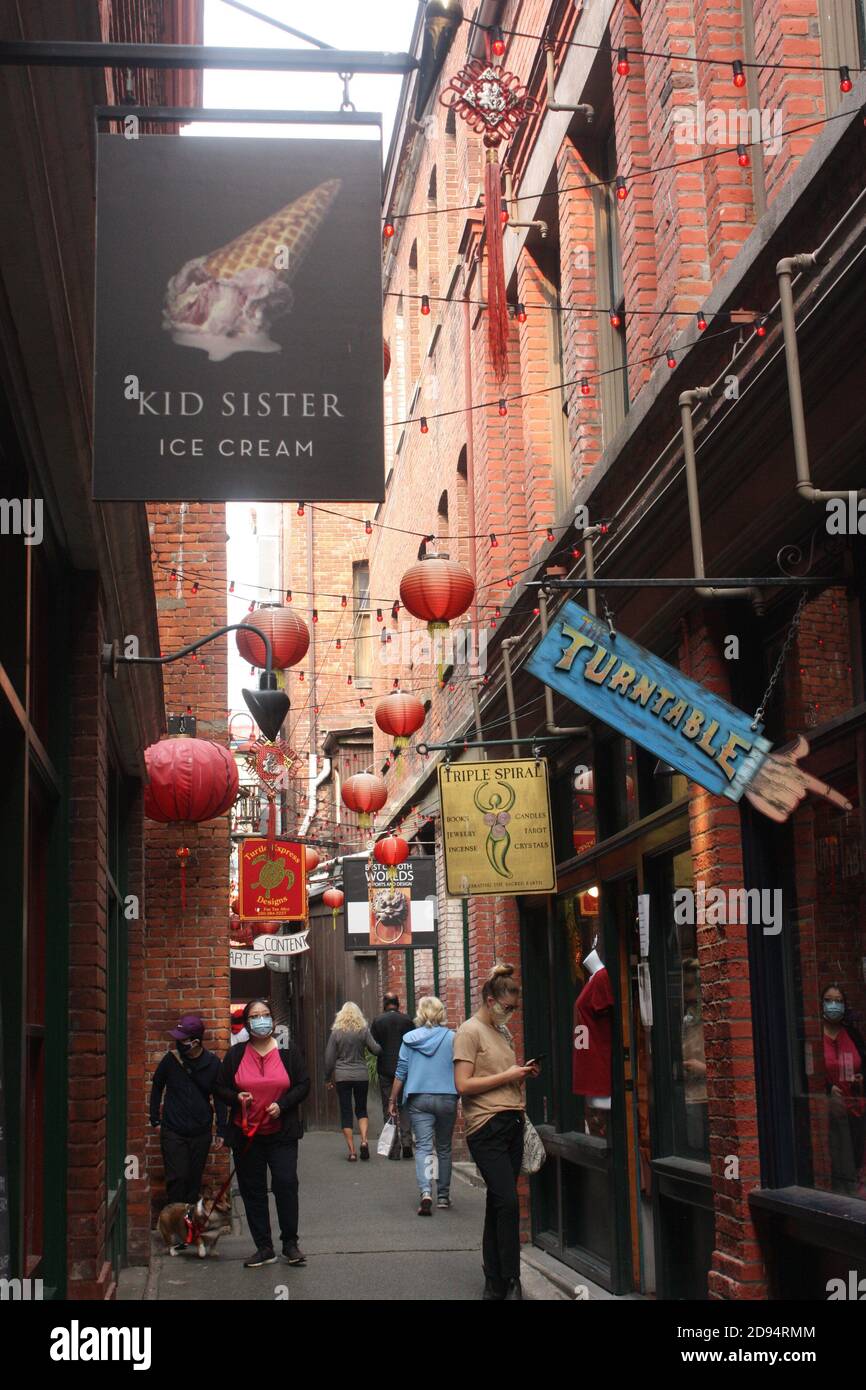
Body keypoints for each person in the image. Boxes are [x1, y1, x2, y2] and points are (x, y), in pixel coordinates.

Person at [454, 963, 540, 1301]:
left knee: (497, 1202)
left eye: (514, 1009)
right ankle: (512, 1280)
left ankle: (493, 1280)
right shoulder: (469, 1031)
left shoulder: (503, 1034)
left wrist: (521, 1073)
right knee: (507, 1200)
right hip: (485, 1127)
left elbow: (503, 1075)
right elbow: (463, 1084)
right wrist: (508, 1076)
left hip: (513, 1123)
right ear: (490, 1000)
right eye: (507, 1007)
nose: (511, 1014)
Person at [216, 998, 310, 1269]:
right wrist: (237, 1097)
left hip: (281, 1133)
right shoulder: (235, 1056)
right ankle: (263, 1247)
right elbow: (220, 1088)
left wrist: (283, 1104)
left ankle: (290, 1243)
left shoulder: (288, 1052)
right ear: (247, 1023)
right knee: (252, 1190)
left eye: (265, 1014)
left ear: (273, 1019)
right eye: (255, 1015)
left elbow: (303, 1084)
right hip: (247, 1136)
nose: (261, 1019)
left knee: (285, 1183)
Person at [150, 1014, 227, 1216]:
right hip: (173, 1130)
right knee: (177, 1178)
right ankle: (175, 1227)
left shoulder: (212, 1064)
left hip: (200, 1131)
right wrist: (154, 1118)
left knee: (194, 1181)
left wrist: (221, 1129)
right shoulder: (171, 1060)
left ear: (195, 1041)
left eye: (183, 1038)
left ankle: (190, 1227)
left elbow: (219, 1098)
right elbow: (157, 1086)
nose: (178, 1042)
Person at [389, 996, 458, 1215]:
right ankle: (444, 1196)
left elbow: (401, 1071)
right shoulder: (453, 1038)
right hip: (447, 1097)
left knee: (425, 1147)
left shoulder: (409, 1039)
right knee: (445, 1147)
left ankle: (426, 1192)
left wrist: (392, 1099)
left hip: (419, 1099)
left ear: (421, 1013)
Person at [821, 983, 866, 1195]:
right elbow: (807, 1072)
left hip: (856, 1106)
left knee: (857, 1156)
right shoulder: (813, 1035)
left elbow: (863, 1062)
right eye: (829, 1000)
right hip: (830, 1111)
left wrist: (861, 1077)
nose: (834, 1005)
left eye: (838, 1001)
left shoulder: (853, 1034)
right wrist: (827, 1089)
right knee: (839, 1158)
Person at [324, 1002, 381, 1161]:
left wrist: (327, 1078)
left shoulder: (336, 1033)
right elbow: (375, 1049)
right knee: (361, 1109)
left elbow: (329, 1059)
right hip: (361, 1075)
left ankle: (352, 1151)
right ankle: (364, 1140)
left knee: (346, 1111)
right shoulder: (363, 1030)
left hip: (342, 1076)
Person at [371, 992, 414, 1159]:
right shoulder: (407, 1020)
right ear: (398, 1004)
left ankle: (394, 1148)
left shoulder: (378, 1021)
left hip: (385, 1070)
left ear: (384, 1004)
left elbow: (372, 1047)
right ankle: (407, 1142)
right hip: (405, 1070)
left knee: (388, 1107)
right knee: (404, 1106)